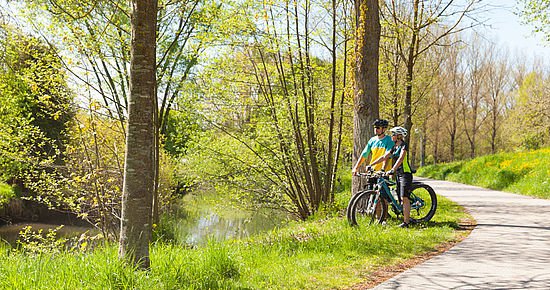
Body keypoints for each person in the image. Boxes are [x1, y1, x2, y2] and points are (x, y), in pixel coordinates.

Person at [368, 126, 414, 228]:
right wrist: (372, 164)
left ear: (398, 136)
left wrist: (392, 169)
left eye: (393, 134)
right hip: (398, 174)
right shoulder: (394, 147)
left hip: (405, 174)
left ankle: (406, 222)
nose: (391, 136)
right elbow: (384, 157)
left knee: (404, 197)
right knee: (398, 194)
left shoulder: (403, 146)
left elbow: (401, 158)